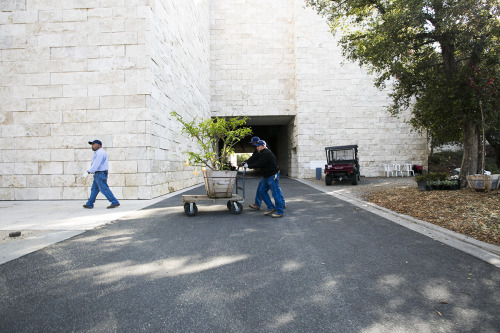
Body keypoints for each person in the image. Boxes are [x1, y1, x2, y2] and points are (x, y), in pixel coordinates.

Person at [242, 137, 286, 211]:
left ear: (262, 145)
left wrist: (248, 165)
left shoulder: (265, 151)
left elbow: (259, 162)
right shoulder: (260, 150)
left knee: (275, 192)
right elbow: (254, 158)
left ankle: (280, 208)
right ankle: (271, 207)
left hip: (272, 174)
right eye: (255, 145)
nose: (255, 146)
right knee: (263, 190)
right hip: (267, 174)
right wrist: (246, 162)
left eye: (256, 144)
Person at [83, 140, 120, 209]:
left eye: (94, 144)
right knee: (94, 189)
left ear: (99, 145)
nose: (92, 146)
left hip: (100, 174)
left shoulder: (100, 153)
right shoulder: (99, 152)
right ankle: (90, 203)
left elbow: (96, 164)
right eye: (92, 145)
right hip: (99, 174)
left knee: (104, 189)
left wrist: (89, 171)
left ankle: (114, 202)